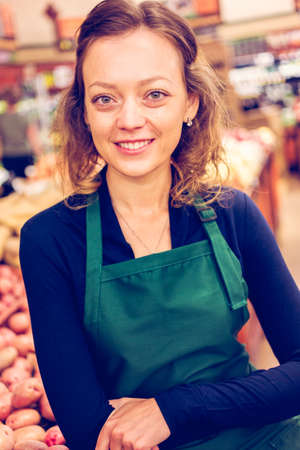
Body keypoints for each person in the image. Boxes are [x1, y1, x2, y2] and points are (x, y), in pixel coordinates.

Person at [19, 1, 300, 449]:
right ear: (84, 112)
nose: (130, 120)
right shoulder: (49, 241)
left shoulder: (233, 213)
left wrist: (173, 409)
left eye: (154, 94)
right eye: (105, 98)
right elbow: (83, 425)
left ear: (190, 102)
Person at [0, 86, 41, 178]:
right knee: (27, 182)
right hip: (25, 155)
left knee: (11, 185)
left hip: (8, 157)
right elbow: (33, 139)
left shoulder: (1, 119)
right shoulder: (26, 117)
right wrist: (40, 156)